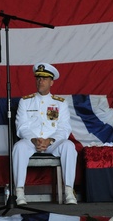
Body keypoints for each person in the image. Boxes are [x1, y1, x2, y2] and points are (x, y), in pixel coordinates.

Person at [12, 63, 78, 205]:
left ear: (51, 82)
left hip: (52, 143)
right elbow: (22, 126)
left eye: (44, 79)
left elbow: (64, 128)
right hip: (32, 142)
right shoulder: (25, 101)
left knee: (69, 146)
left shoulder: (60, 103)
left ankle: (68, 191)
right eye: (38, 78)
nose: (40, 81)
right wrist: (34, 139)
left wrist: (50, 140)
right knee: (18, 147)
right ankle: (19, 192)